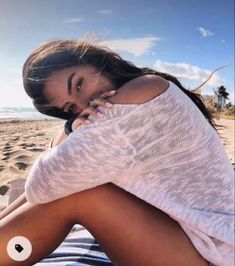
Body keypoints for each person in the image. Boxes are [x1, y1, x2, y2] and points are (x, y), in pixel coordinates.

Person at [0, 39, 233, 266]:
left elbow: (40, 184)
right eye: (71, 108)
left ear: (96, 61)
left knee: (79, 193)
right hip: (197, 241)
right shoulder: (147, 87)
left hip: (211, 254)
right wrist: (73, 125)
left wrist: (72, 128)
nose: (85, 104)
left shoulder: (142, 92)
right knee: (67, 181)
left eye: (79, 84)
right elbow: (47, 179)